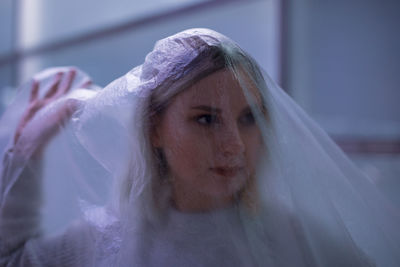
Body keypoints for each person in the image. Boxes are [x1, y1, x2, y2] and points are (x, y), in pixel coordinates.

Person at [0, 28, 399, 267]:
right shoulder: (104, 239)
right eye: (206, 119)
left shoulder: (297, 239)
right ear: (154, 129)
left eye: (249, 119)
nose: (234, 146)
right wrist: (27, 153)